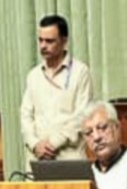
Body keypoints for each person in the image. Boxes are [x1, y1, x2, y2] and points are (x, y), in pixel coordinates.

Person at [19, 14, 95, 164]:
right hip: (37, 157)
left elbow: (82, 115)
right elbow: (25, 116)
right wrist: (35, 144)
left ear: (64, 41)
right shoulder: (33, 75)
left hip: (69, 157)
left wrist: (53, 143)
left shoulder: (80, 72)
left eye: (49, 41)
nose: (43, 46)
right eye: (40, 40)